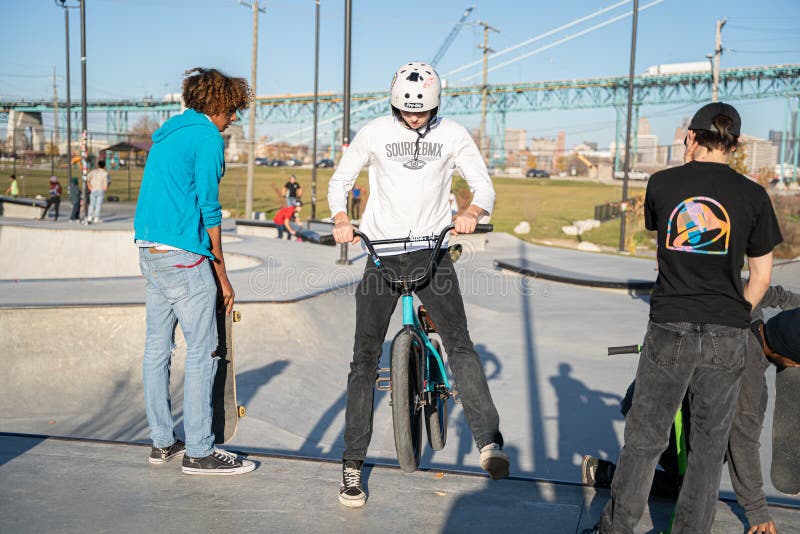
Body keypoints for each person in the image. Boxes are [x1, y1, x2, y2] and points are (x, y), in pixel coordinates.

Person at [585, 102, 783, 534]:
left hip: (670, 326)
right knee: (710, 446)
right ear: (734, 145)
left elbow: (666, 250)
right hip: (727, 334)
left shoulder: (662, 184)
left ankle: (616, 529)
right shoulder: (754, 196)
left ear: (691, 137)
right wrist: (734, 312)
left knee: (644, 439)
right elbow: (762, 276)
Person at [329, 61, 508, 508]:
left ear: (435, 105)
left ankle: (490, 442)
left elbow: (483, 185)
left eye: (422, 112)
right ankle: (352, 464)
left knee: (460, 343)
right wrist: (340, 217)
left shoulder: (452, 134)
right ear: (394, 104)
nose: (414, 119)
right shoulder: (373, 132)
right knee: (363, 361)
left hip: (433, 252)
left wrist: (471, 212)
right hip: (380, 252)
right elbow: (341, 180)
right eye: (407, 112)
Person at [583, 282, 800, 534]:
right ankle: (628, 493)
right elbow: (743, 445)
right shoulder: (749, 382)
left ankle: (614, 478)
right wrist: (757, 509)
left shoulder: (747, 308)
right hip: (670, 429)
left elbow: (761, 288)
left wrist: (793, 301)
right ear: (787, 356)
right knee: (703, 473)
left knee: (652, 451)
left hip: (643, 399)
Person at [133, 67, 255, 475]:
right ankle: (200, 451)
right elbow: (209, 209)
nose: (234, 118)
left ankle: (162, 442)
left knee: (157, 350)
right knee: (204, 352)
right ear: (217, 105)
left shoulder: (169, 133)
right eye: (233, 110)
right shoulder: (206, 137)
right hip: (184, 256)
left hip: (149, 249)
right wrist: (222, 275)